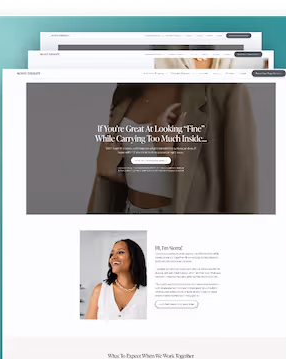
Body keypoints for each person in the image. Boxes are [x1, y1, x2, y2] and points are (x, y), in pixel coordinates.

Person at [89, 79, 258, 214]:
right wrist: (108, 171)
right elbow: (134, 173)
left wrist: (169, 154)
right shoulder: (127, 89)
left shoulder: (224, 92)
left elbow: (241, 197)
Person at [84, 239, 147, 320]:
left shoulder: (148, 293)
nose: (113, 257)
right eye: (112, 254)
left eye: (120, 252)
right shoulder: (100, 291)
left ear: (134, 256)